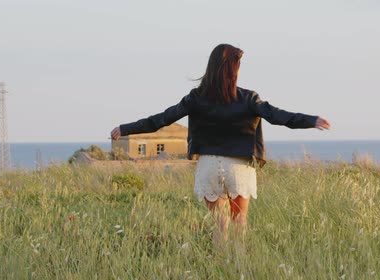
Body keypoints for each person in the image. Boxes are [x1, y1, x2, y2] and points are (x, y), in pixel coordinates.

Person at [111, 44, 330, 246]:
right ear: (232, 69)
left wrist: (125, 129)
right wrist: (311, 120)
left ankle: (221, 266)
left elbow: (160, 119)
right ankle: (238, 268)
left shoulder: (196, 97)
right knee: (239, 223)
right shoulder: (248, 98)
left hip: (208, 166)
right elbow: (278, 116)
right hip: (239, 167)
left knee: (220, 226)